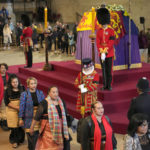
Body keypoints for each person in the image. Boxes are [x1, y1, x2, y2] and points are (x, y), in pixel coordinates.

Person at [19, 77, 45, 150]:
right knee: (30, 134)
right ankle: (31, 147)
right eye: (31, 83)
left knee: (36, 134)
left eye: (35, 83)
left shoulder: (40, 92)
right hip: (28, 117)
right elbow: (22, 106)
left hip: (38, 115)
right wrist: (20, 118)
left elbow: (44, 104)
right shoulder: (24, 94)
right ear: (28, 85)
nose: (34, 85)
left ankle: (33, 147)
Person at [96, 7, 115, 91]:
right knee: (103, 70)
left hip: (109, 53)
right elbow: (98, 42)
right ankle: (104, 85)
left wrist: (105, 50)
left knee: (109, 70)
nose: (102, 24)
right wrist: (101, 51)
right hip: (101, 53)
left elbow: (111, 42)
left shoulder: (111, 31)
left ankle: (109, 85)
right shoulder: (99, 31)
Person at [4, 74, 25, 148]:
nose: (15, 83)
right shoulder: (7, 91)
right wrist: (17, 107)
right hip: (11, 110)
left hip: (21, 109)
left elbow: (26, 97)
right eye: (13, 82)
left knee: (20, 125)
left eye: (16, 82)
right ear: (10, 83)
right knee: (14, 127)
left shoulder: (22, 88)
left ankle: (21, 139)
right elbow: (7, 102)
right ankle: (14, 141)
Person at [0, 63, 10, 130]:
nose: (3, 69)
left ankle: (6, 121)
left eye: (4, 68)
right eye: (1, 68)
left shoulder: (9, 76)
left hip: (8, 95)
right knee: (3, 109)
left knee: (8, 109)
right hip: (1, 95)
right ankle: (3, 123)